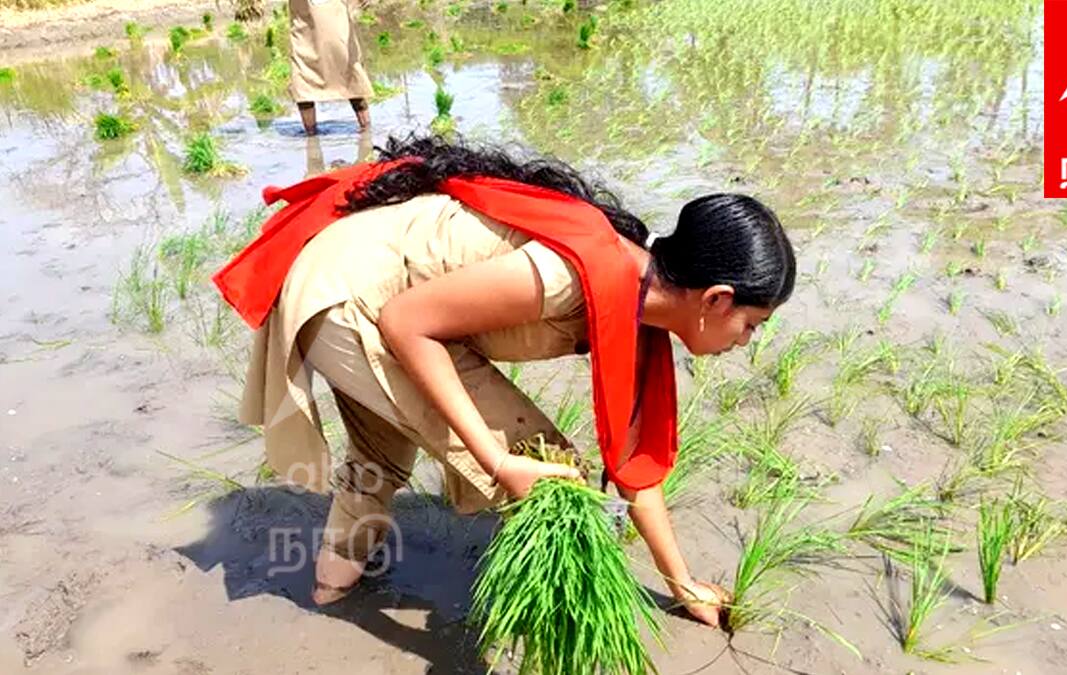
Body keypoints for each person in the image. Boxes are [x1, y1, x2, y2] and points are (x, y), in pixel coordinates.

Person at [213, 134, 796, 628]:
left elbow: (635, 468)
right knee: (551, 476)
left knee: (381, 454)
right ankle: (558, 631)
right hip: (352, 298)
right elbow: (406, 322)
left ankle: (328, 604)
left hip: (356, 283)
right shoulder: (574, 274)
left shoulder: (639, 308)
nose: (746, 341)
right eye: (751, 324)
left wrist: (682, 584)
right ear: (715, 300)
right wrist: (495, 459)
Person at [288, 0, 373, 135]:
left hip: (336, 24)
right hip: (305, 27)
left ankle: (367, 134)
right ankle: (311, 136)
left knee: (350, 74)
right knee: (304, 81)